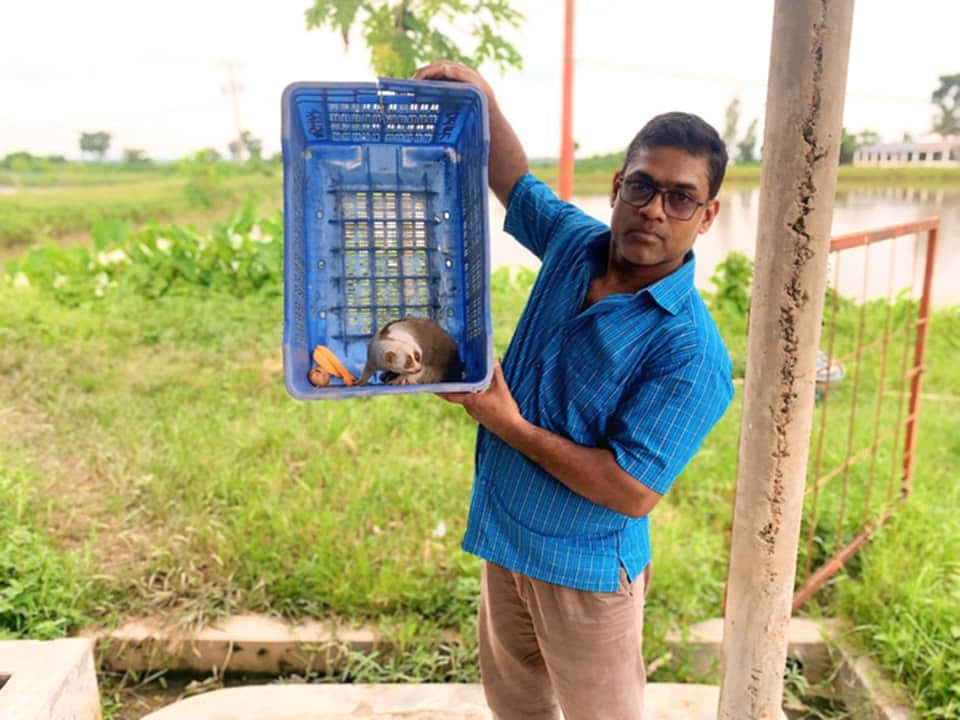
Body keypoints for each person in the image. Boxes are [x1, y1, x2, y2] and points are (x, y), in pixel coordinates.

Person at [413, 60, 735, 720]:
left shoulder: (691, 353)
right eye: (642, 186)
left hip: (585, 577)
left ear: (707, 217)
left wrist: (507, 422)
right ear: (618, 186)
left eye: (681, 197)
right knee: (517, 706)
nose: (654, 209)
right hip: (505, 541)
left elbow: (632, 490)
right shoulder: (573, 244)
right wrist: (483, 100)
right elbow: (512, 180)